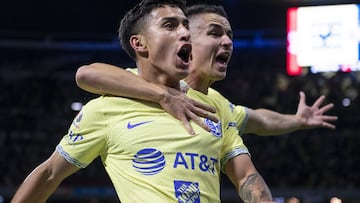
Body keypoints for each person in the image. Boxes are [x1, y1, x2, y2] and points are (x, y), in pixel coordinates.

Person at [11, 0, 274, 203]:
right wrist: (163, 95)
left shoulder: (212, 104)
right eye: (170, 26)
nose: (184, 33)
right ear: (139, 43)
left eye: (185, 25)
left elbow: (246, 177)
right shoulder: (106, 109)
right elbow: (49, 174)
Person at [75, 4, 338, 137]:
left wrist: (298, 121)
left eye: (229, 36)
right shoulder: (135, 83)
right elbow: (88, 74)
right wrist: (163, 96)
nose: (228, 42)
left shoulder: (217, 105)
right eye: (215, 34)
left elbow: (260, 119)